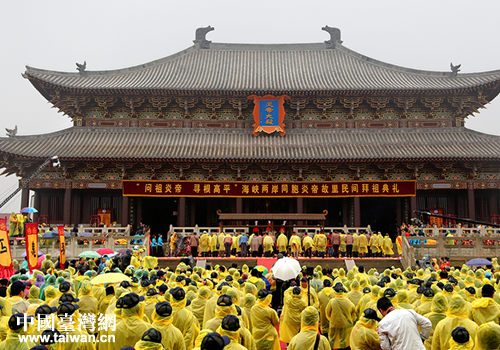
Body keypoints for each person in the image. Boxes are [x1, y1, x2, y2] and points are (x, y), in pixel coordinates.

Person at [325, 283, 356, 350]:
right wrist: (351, 319)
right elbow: (354, 310)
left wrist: (331, 320)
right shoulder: (348, 301)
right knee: (345, 342)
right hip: (346, 325)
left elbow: (327, 312)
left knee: (333, 341)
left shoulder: (332, 301)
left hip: (334, 324)